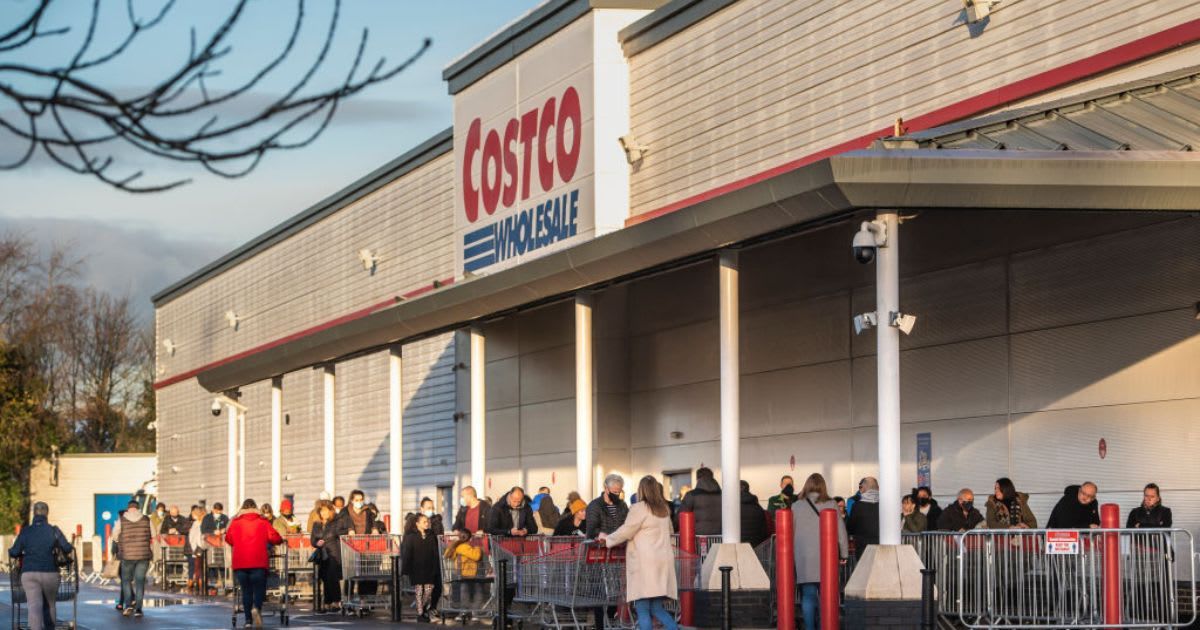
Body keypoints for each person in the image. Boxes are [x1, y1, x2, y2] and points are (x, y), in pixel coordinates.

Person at [598, 476, 679, 630]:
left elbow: (626, 531)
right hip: (662, 563)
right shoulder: (664, 509)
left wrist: (607, 540)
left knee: (642, 609)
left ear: (641, 490)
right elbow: (670, 531)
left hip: (645, 565)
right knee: (656, 608)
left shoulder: (639, 508)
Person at [792, 473, 847, 630]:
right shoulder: (831, 504)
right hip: (827, 556)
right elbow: (841, 532)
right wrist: (843, 554)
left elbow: (790, 533)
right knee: (827, 595)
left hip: (803, 557)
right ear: (823, 486)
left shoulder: (796, 506)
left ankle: (810, 628)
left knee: (808, 595)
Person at [8, 502, 73, 630]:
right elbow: (67, 547)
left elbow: (14, 552)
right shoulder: (54, 530)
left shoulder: (26, 531)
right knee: (50, 605)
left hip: (29, 573)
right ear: (47, 513)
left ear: (34, 513)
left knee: (34, 606)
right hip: (50, 573)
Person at [226, 498, 284, 628]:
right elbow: (274, 537)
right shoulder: (262, 521)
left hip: (240, 563)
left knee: (246, 591)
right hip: (258, 562)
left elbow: (229, 538)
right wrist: (280, 541)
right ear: (255, 507)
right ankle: (256, 609)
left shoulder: (235, 522)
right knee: (259, 590)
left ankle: (247, 621)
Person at [111, 499, 153, 617]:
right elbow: (153, 534)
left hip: (127, 556)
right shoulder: (146, 519)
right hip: (143, 555)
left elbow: (114, 535)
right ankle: (138, 609)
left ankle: (128, 605)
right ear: (138, 508)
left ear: (128, 508)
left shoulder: (122, 520)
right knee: (140, 582)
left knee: (126, 581)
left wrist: (119, 541)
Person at [401, 513, 441, 622]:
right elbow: (407, 554)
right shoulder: (411, 537)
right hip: (416, 568)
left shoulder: (431, 536)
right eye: (424, 522)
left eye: (427, 521)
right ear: (417, 524)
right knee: (419, 590)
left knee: (429, 590)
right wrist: (405, 569)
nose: (427, 523)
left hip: (429, 568)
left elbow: (435, 553)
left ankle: (422, 609)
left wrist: (436, 567)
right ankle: (420, 613)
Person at [443, 530, 487, 614]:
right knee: (478, 591)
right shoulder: (464, 547)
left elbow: (448, 554)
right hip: (470, 573)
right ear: (470, 539)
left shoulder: (456, 546)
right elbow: (476, 556)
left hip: (462, 573)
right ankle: (474, 611)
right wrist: (478, 547)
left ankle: (464, 611)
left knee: (464, 591)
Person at [310, 503, 342, 612]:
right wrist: (316, 543)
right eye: (322, 511)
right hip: (321, 554)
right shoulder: (316, 524)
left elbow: (339, 535)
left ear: (330, 511)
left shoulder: (335, 522)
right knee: (324, 578)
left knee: (332, 577)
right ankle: (328, 601)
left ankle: (336, 601)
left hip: (333, 552)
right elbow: (312, 540)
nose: (324, 513)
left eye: (326, 510)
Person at [679, 467, 722, 536]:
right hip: (721, 535)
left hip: (698, 537)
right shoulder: (723, 495)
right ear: (712, 477)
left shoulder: (691, 495)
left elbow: (681, 517)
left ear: (697, 479)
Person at [586, 474, 630, 540]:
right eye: (615, 492)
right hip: (601, 548)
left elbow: (627, 524)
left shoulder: (623, 505)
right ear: (606, 489)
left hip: (620, 546)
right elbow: (591, 530)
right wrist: (602, 535)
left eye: (619, 492)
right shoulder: (594, 506)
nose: (617, 494)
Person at [845, 476, 879, 556]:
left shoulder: (857, 506)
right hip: (882, 547)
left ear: (863, 488)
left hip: (863, 548)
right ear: (878, 488)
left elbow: (850, 527)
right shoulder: (885, 504)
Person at [739, 481, 769, 547]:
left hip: (738, 545)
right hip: (756, 546)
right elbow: (764, 530)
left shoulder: (733, 509)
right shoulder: (758, 507)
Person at [186, 505, 207, 592]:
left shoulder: (200, 523)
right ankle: (199, 582)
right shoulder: (196, 523)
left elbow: (195, 536)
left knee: (200, 566)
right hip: (197, 547)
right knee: (198, 566)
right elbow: (193, 537)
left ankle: (200, 582)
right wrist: (195, 546)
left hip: (200, 546)